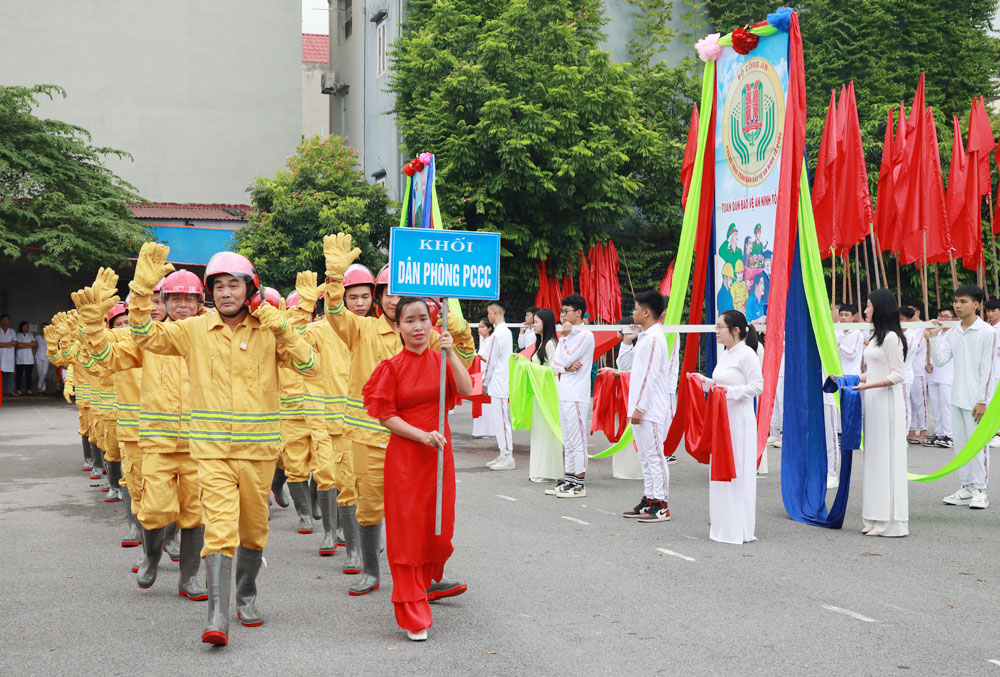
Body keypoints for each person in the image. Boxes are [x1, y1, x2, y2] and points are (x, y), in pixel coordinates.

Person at [125, 243, 319, 645]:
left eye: (234, 285)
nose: (226, 293)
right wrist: (142, 290)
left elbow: (310, 366)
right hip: (210, 453)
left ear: (250, 288)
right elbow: (144, 336)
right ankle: (217, 616)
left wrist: (285, 330)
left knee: (253, 532)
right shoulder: (193, 329)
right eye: (218, 286)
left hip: (258, 453)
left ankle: (246, 596)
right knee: (219, 531)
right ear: (209, 293)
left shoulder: (270, 328)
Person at [323, 233, 474, 599]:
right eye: (387, 292)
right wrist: (333, 281)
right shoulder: (360, 327)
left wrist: (449, 317)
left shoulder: (429, 330)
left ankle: (426, 578)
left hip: (422, 443)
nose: (393, 298)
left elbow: (464, 361)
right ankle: (370, 570)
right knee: (371, 505)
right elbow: (335, 315)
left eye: (399, 291)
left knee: (427, 513)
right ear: (379, 299)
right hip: (372, 438)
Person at [362, 297, 473, 641]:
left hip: (440, 458)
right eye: (409, 320)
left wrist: (452, 352)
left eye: (423, 319)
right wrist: (422, 436)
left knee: (437, 529)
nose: (418, 326)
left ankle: (423, 587)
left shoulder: (442, 359)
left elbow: (467, 389)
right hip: (407, 458)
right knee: (407, 534)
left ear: (432, 322)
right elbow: (385, 415)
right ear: (397, 327)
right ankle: (412, 611)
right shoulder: (391, 368)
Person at [699, 310, 763, 544]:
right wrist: (704, 383)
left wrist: (729, 393)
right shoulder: (726, 354)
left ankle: (738, 527)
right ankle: (722, 525)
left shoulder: (747, 354)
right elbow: (720, 385)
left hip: (739, 419)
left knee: (736, 469)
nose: (716, 332)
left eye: (720, 327)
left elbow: (757, 387)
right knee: (720, 467)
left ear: (735, 330)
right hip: (722, 418)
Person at [928, 286, 993, 510]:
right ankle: (966, 487)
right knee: (961, 447)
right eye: (956, 301)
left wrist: (983, 400)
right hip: (957, 397)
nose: (957, 305)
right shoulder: (955, 331)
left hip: (977, 400)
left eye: (963, 301)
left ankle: (981, 490)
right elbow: (941, 361)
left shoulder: (987, 332)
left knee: (978, 447)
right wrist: (934, 338)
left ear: (976, 305)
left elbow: (988, 369)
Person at [853, 289, 909, 537]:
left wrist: (868, 385)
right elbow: (874, 370)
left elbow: (898, 375)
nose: (865, 310)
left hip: (887, 402)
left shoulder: (892, 339)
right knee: (874, 458)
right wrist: (852, 380)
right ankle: (873, 516)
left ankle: (889, 521)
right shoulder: (876, 337)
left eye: (868, 305)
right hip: (873, 401)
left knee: (886, 458)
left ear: (880, 307)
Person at [621, 292, 672, 523]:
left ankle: (661, 504)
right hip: (639, 408)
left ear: (646, 312)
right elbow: (625, 365)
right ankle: (650, 499)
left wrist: (640, 407)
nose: (632, 312)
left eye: (635, 308)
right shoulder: (644, 336)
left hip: (650, 409)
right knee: (645, 456)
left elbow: (650, 376)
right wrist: (626, 341)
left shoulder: (654, 338)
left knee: (655, 456)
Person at [547, 294, 595, 498]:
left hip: (577, 395)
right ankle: (568, 480)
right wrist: (566, 367)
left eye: (566, 311)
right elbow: (555, 363)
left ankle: (579, 483)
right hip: (564, 392)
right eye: (562, 311)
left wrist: (564, 344)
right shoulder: (567, 335)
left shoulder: (585, 335)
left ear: (579, 313)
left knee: (577, 440)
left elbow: (567, 357)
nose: (563, 316)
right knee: (567, 440)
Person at [523, 309, 563, 483]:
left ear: (545, 323)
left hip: (548, 390)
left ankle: (548, 471)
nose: (534, 324)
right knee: (540, 431)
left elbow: (554, 369)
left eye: (537, 321)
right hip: (540, 390)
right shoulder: (540, 343)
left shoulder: (550, 344)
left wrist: (530, 367)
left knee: (548, 431)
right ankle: (541, 470)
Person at [484, 301, 514, 471]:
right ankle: (503, 453)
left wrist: (485, 381)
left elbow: (491, 361)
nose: (488, 316)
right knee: (499, 419)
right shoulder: (506, 332)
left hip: (499, 381)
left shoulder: (498, 334)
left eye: (489, 313)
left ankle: (508, 455)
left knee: (502, 420)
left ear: (494, 312)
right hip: (500, 380)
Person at [926, 307, 956, 447]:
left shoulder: (955, 333)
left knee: (946, 406)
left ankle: (949, 436)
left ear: (954, 319)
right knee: (936, 407)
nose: (943, 319)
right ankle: (939, 434)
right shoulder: (936, 333)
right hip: (933, 374)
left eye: (946, 316)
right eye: (941, 316)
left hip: (947, 375)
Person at [903, 305, 931, 445]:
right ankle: (912, 430)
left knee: (919, 401)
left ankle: (923, 430)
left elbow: (918, 346)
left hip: (918, 370)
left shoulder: (922, 327)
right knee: (908, 401)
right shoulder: (903, 329)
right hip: (906, 370)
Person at [473, 319, 496, 439]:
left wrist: (480, 358)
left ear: (489, 328)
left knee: (487, 403)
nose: (479, 329)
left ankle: (490, 430)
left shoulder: (492, 341)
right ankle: (481, 430)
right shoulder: (484, 341)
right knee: (481, 403)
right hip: (481, 373)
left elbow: (492, 360)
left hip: (488, 374)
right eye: (479, 326)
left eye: (482, 327)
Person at [14, 320, 36, 396]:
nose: (26, 328)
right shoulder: (17, 335)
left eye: (27, 326)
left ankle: (28, 389)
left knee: (28, 376)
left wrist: (24, 345)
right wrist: (29, 345)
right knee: (19, 375)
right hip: (20, 358)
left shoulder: (30, 335)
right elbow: (18, 345)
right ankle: (18, 389)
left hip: (29, 358)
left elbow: (34, 344)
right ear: (21, 327)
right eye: (24, 326)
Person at [0, 314, 16, 395]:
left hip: (9, 356)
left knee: (11, 375)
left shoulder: (12, 331)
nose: (6, 321)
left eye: (7, 320)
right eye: (4, 319)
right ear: (1, 321)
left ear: (9, 321)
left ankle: (11, 391)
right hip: (1, 355)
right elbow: (10, 343)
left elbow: (14, 342)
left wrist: (2, 344)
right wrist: (8, 344)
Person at [34, 322, 51, 394]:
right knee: (40, 373)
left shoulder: (50, 337)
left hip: (47, 357)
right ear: (41, 328)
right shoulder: (37, 337)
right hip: (38, 356)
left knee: (44, 373)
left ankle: (39, 386)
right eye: (43, 327)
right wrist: (34, 357)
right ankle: (42, 389)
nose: (44, 329)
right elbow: (34, 348)